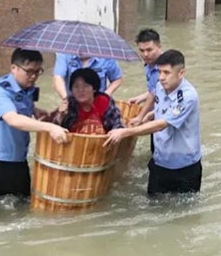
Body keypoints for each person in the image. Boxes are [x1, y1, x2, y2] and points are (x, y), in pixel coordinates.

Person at [0, 49, 68, 215]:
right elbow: (13, 119)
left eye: (38, 72)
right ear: (13, 68)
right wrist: (50, 128)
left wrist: (52, 112)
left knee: (23, 213)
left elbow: (27, 112)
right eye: (29, 71)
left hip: (17, 166)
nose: (34, 76)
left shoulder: (28, 90)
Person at [106, 50, 202, 196]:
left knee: (184, 212)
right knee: (153, 204)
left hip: (184, 166)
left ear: (181, 73)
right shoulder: (161, 86)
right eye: (159, 72)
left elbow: (162, 124)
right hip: (160, 161)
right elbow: (161, 108)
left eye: (166, 72)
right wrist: (146, 116)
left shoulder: (188, 96)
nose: (161, 77)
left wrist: (125, 132)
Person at [47, 68, 124, 135]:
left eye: (85, 86)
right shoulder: (70, 104)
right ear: (71, 90)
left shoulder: (104, 101)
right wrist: (61, 115)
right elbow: (55, 130)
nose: (80, 90)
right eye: (76, 86)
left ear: (94, 88)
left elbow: (117, 124)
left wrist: (117, 132)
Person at [128, 28, 164, 154]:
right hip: (157, 110)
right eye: (142, 51)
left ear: (159, 47)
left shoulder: (164, 67)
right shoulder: (149, 64)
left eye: (149, 50)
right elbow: (154, 89)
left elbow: (155, 93)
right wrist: (140, 98)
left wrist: (140, 116)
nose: (145, 54)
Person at [53, 53, 123, 101]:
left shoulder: (106, 56)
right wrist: (66, 100)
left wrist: (105, 95)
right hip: (73, 103)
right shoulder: (65, 54)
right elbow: (58, 78)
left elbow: (117, 79)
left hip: (98, 103)